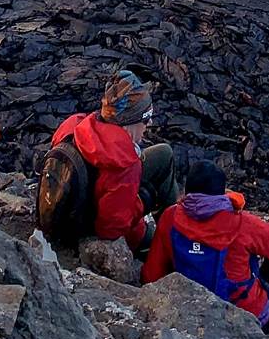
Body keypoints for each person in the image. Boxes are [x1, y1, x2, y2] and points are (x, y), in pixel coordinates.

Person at [143, 158, 269, 327]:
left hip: (191, 310)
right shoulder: (242, 222)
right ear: (221, 191)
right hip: (246, 318)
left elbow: (152, 274)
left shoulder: (170, 217)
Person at [40, 68, 180, 252]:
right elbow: (112, 229)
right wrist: (142, 200)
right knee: (152, 239)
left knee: (164, 153)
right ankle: (174, 237)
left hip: (63, 211)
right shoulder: (123, 164)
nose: (150, 124)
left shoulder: (74, 124)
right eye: (146, 119)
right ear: (130, 122)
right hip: (85, 229)